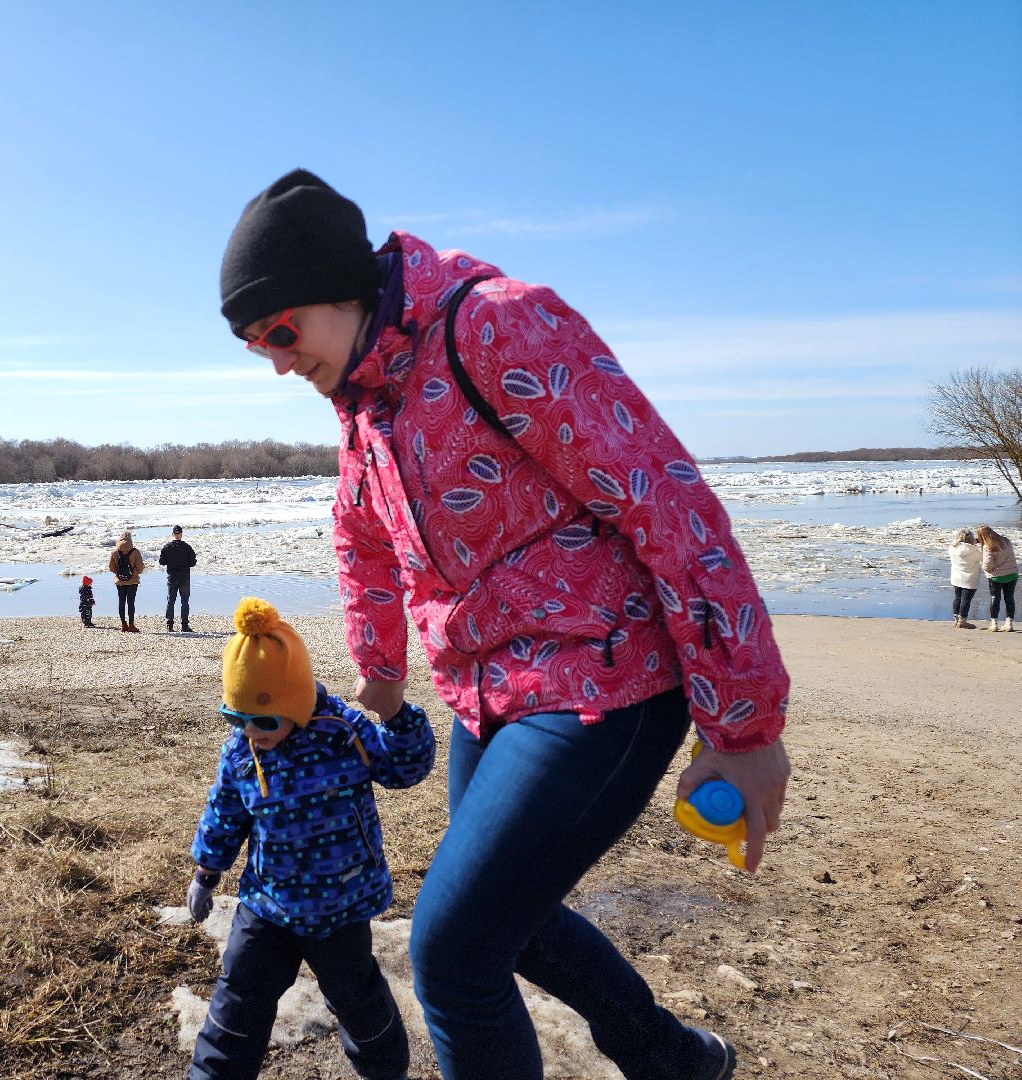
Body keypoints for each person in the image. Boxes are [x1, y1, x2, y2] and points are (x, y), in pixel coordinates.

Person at [219, 169, 792, 1080]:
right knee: (507, 924)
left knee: (452, 952)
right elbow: (360, 534)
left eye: (281, 330)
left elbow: (667, 503)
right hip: (490, 693)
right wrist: (382, 666)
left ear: (344, 285)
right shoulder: (364, 400)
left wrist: (745, 725)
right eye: (257, 346)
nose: (278, 360)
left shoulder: (497, 324)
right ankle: (669, 1057)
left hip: (608, 677)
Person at [187, 597, 435, 1080]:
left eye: (261, 720)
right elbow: (224, 813)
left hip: (339, 904)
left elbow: (406, 767)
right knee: (239, 996)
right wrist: (205, 872)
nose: (250, 732)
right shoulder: (242, 750)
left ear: (295, 703)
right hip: (267, 904)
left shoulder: (345, 732)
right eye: (235, 717)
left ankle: (387, 1071)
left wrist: (398, 714)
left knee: (357, 997)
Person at [976, 524, 1017, 632]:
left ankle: (994, 624)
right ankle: (1009, 623)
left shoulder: (987, 546)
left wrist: (985, 569)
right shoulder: (1006, 541)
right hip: (1012, 573)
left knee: (995, 598)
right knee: (1009, 598)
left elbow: (988, 564)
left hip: (996, 576)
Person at [159, 524, 198, 632]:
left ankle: (170, 624)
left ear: (173, 534)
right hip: (184, 577)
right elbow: (193, 563)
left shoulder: (167, 547)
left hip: (172, 576)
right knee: (184, 601)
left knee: (171, 600)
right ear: (181, 534)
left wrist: (171, 561)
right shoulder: (187, 547)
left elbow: (162, 562)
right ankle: (184, 625)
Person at [109, 530, 143, 632]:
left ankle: (124, 624)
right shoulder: (135, 552)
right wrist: (134, 573)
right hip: (133, 581)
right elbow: (140, 568)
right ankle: (131, 625)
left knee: (121, 602)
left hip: (119, 581)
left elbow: (111, 567)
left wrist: (118, 573)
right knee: (131, 602)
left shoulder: (115, 552)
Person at [947, 530, 981, 629]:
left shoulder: (952, 548)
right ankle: (962, 621)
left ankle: (956, 620)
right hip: (970, 578)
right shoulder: (973, 550)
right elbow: (983, 557)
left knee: (957, 598)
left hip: (956, 577)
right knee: (966, 599)